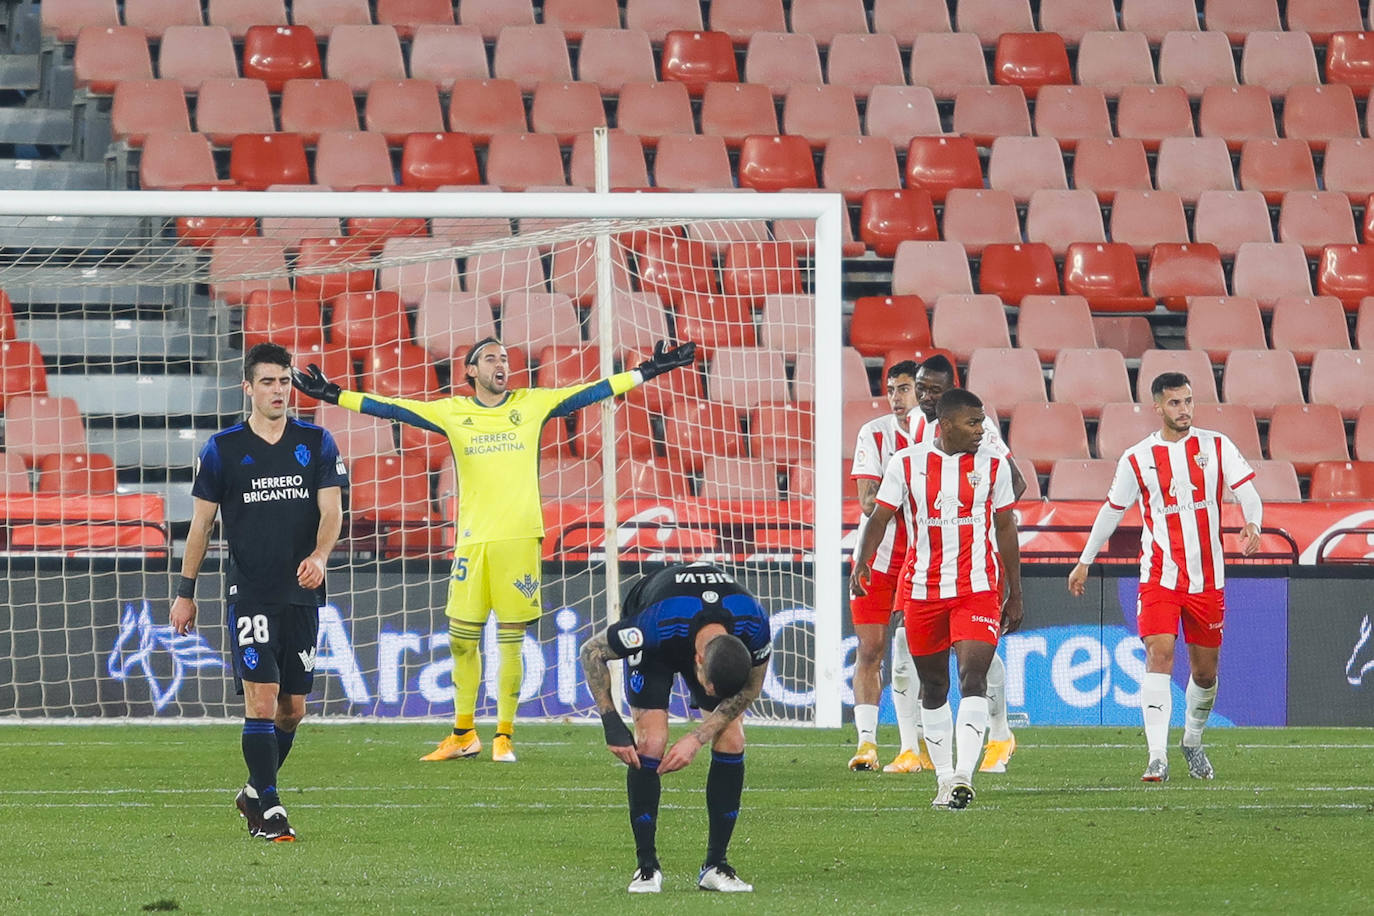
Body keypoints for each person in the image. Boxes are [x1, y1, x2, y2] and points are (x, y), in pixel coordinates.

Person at [293, 336, 695, 763]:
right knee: (461, 641)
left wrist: (649, 370)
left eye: (505, 358)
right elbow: (392, 407)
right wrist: (335, 394)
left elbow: (593, 390)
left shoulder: (532, 404)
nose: (501, 364)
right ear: (470, 371)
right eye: (490, 358)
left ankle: (504, 735)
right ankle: (464, 733)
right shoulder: (453, 411)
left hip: (519, 539)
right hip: (472, 541)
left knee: (509, 642)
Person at [170, 342, 347, 842]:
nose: (278, 391)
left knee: (294, 708)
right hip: (249, 591)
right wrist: (186, 591)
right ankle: (270, 809)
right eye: (268, 382)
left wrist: (318, 557)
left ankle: (253, 790)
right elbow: (201, 526)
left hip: (303, 593)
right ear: (248, 387)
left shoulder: (316, 441)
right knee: (262, 700)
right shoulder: (222, 449)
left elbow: (332, 511)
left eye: (284, 381)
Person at [1067, 372, 1262, 782]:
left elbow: (1247, 491)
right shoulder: (1137, 457)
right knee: (1159, 654)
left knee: (1205, 673)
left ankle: (1191, 740)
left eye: (1189, 401)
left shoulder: (1216, 445)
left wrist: (1254, 523)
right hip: (1159, 575)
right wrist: (1085, 560)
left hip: (1207, 579)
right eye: (1175, 403)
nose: (1185, 410)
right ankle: (1157, 757)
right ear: (1157, 406)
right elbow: (1112, 510)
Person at [851, 388, 1023, 809]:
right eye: (973, 423)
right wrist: (863, 561)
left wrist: (1015, 591)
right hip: (923, 591)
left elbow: (1005, 529)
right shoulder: (906, 464)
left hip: (977, 590)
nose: (981, 430)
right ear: (945, 425)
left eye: (982, 421)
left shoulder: (994, 465)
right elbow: (881, 516)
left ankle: (964, 774)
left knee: (972, 677)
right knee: (933, 686)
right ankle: (944, 779)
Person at [580, 562, 771, 894]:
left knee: (732, 737)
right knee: (652, 742)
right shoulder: (652, 625)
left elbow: (750, 690)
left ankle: (715, 866)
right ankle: (646, 867)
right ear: (697, 662)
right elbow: (591, 651)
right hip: (660, 629)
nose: (708, 698)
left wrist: (697, 739)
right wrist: (611, 721)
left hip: (700, 626)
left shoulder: (754, 624)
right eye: (708, 690)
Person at [902, 354, 1025, 773]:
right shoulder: (921, 425)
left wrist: (975, 516)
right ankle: (933, 746)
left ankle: (999, 733)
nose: (926, 396)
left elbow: (1015, 480)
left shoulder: (978, 431)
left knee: (977, 661)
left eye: (935, 390)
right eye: (921, 388)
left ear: (950, 390)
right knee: (933, 659)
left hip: (975, 554)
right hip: (931, 562)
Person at [847, 360, 930, 774]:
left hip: (923, 555)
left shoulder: (935, 434)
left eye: (905, 389)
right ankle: (866, 744)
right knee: (870, 649)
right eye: (892, 389)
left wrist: (892, 489)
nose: (896, 398)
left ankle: (915, 745)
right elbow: (866, 501)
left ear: (921, 393)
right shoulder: (874, 433)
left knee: (915, 651)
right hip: (876, 556)